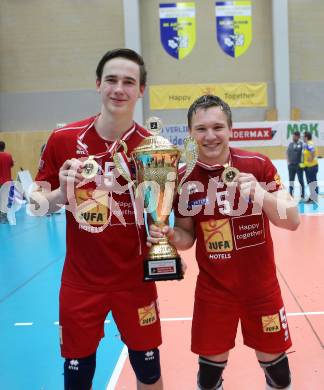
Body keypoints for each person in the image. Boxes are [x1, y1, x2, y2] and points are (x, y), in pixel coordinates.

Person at [31, 49, 163, 390]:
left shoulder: (153, 148)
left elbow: (159, 210)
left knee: (148, 371)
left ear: (141, 90)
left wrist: (162, 232)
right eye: (112, 80)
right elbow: (36, 205)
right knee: (77, 376)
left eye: (128, 82)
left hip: (135, 281)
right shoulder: (64, 140)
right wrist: (61, 193)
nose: (119, 89)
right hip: (81, 282)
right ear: (98, 85)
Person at [148, 95, 300, 390]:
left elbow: (291, 220)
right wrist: (168, 235)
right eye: (201, 129)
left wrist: (260, 194)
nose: (210, 136)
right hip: (214, 292)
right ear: (190, 133)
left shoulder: (258, 165)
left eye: (218, 127)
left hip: (261, 289)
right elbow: (186, 236)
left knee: (279, 374)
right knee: (208, 377)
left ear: (230, 129)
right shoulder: (181, 177)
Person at [286, 131, 305, 200]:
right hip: (291, 166)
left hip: (299, 166)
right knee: (291, 180)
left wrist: (303, 163)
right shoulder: (290, 144)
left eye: (294, 136)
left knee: (301, 180)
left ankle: (302, 195)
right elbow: (287, 152)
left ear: (298, 137)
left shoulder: (302, 144)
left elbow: (304, 154)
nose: (293, 137)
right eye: (293, 136)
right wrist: (288, 161)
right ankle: (291, 194)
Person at [302, 131, 319, 204]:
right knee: (312, 182)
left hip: (311, 167)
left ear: (306, 137)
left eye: (303, 136)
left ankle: (313, 198)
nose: (303, 138)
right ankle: (313, 197)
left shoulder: (309, 144)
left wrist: (311, 158)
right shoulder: (308, 144)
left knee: (312, 182)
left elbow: (312, 151)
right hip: (310, 166)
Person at [0, 140, 14, 223]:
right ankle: (4, 217)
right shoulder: (8, 155)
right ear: (4, 147)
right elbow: (11, 164)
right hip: (7, 181)